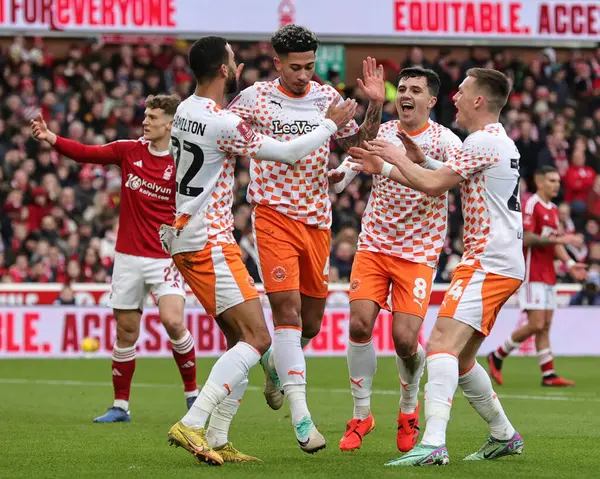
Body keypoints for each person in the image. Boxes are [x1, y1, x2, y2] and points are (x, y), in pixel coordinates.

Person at [160, 36, 357, 465]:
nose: (238, 63)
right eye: (232, 59)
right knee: (259, 337)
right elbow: (287, 153)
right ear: (223, 71)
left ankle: (219, 435)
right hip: (209, 240)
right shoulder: (224, 121)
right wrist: (328, 124)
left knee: (240, 338)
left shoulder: (185, 111)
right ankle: (193, 421)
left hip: (189, 236)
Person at [349, 68, 525, 466]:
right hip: (501, 260)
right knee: (461, 360)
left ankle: (432, 444)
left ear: (479, 100)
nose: (455, 98)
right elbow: (446, 174)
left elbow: (433, 185)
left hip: (487, 261)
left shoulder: (481, 141)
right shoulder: (496, 142)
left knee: (441, 345)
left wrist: (392, 160)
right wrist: (418, 157)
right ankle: (504, 434)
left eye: (462, 92)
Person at [227, 23, 385, 452]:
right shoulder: (255, 97)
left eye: (309, 66)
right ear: (277, 63)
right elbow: (220, 128)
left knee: (310, 324)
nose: (303, 75)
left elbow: (361, 145)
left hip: (317, 219)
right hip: (272, 216)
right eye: (295, 67)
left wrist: (374, 106)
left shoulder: (327, 98)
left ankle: (276, 368)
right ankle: (302, 420)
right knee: (288, 311)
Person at [31, 96, 199, 423]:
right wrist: (51, 138)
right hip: (127, 258)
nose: (145, 121)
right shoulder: (128, 150)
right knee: (125, 332)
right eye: (146, 115)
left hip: (165, 258)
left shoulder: (183, 161)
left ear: (169, 124)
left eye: (152, 117)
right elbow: (86, 154)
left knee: (173, 321)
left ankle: (193, 396)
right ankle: (120, 406)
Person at [331, 68, 462, 453]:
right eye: (402, 89)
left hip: (419, 251)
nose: (406, 95)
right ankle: (361, 415)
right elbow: (349, 171)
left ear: (431, 101)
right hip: (375, 244)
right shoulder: (384, 133)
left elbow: (448, 181)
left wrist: (391, 165)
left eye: (415, 90)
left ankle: (408, 409)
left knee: (405, 340)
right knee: (358, 324)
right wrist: (333, 177)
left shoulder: (446, 141)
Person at [488, 166, 587, 387]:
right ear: (540, 182)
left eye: (558, 181)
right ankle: (498, 354)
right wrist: (562, 240)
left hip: (548, 274)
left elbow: (556, 242)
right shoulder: (531, 205)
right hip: (532, 273)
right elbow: (528, 238)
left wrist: (571, 265)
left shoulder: (552, 209)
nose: (556, 185)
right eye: (552, 181)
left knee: (545, 325)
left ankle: (548, 374)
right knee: (535, 324)